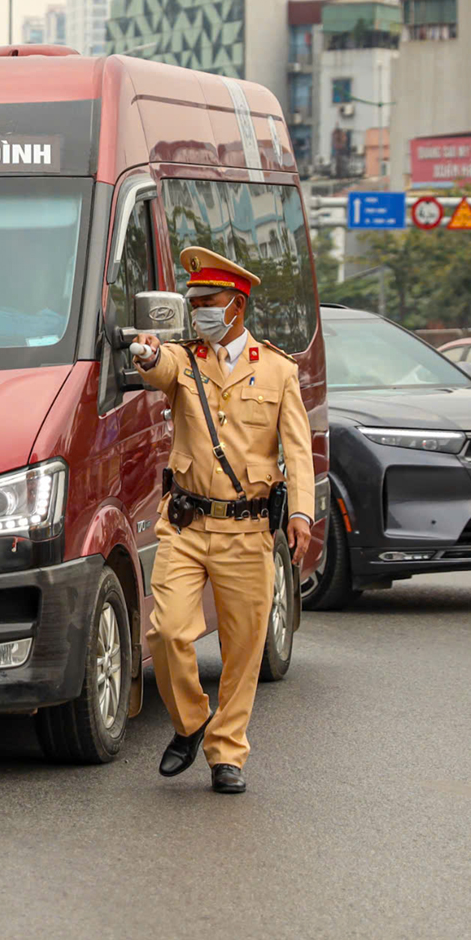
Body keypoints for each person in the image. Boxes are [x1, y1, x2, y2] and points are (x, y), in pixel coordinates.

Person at [131, 247, 315, 795]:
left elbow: (297, 450)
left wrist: (302, 511)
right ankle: (190, 722)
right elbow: (157, 367)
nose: (198, 313)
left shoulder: (278, 369)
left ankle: (227, 752)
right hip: (186, 526)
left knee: (243, 648)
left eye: (207, 303)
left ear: (236, 305)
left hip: (249, 530)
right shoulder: (184, 360)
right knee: (166, 631)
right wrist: (145, 353)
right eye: (194, 304)